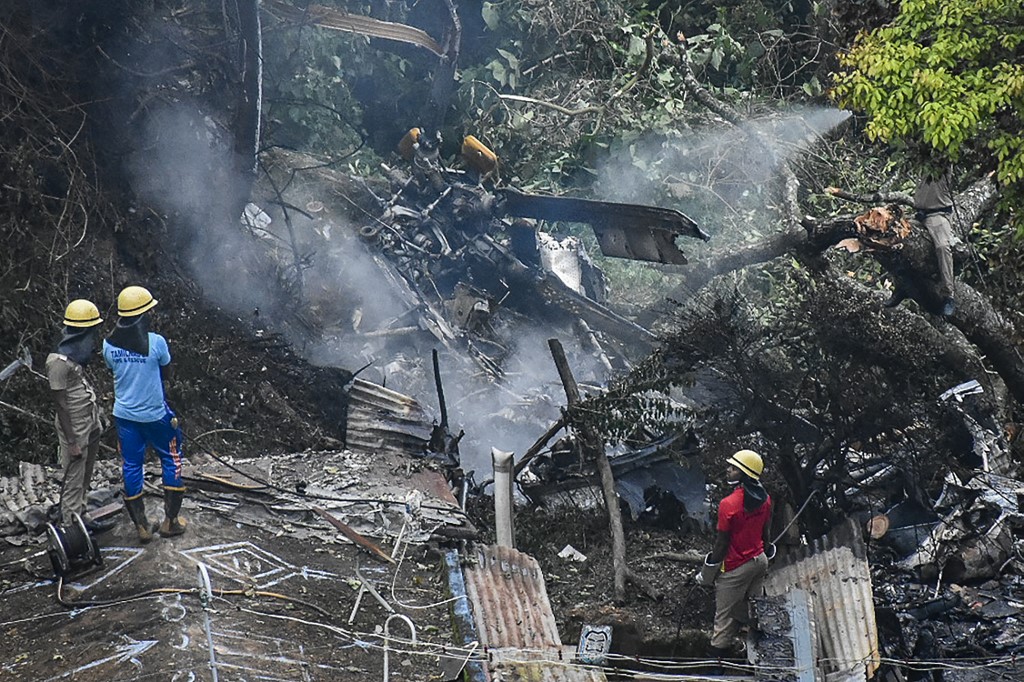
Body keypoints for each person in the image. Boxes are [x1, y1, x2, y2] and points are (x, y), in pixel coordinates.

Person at [102, 285, 186, 542]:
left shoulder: (108, 345)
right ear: (142, 315)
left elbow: (113, 370)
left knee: (131, 465)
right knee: (171, 458)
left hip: (125, 417)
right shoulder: (156, 342)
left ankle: (141, 526)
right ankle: (170, 522)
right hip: (155, 416)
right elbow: (166, 373)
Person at [45, 300, 116, 534]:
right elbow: (61, 404)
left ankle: (82, 514)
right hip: (73, 426)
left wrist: (98, 416)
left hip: (88, 420)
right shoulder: (57, 363)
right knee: (74, 476)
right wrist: (73, 441)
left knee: (86, 473)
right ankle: (71, 526)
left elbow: (81, 388)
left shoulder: (72, 357)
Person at [695, 449, 773, 657]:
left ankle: (715, 669)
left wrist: (707, 573)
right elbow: (766, 535)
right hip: (759, 562)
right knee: (754, 613)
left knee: (724, 620)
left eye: (733, 468)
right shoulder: (765, 499)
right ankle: (757, 660)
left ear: (745, 474)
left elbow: (721, 544)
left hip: (736, 566)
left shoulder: (728, 504)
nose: (728, 470)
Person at [885, 172, 957, 316]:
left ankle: (949, 295)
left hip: (938, 215)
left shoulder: (942, 164)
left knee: (942, 246)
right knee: (894, 237)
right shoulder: (921, 158)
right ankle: (902, 285)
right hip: (919, 214)